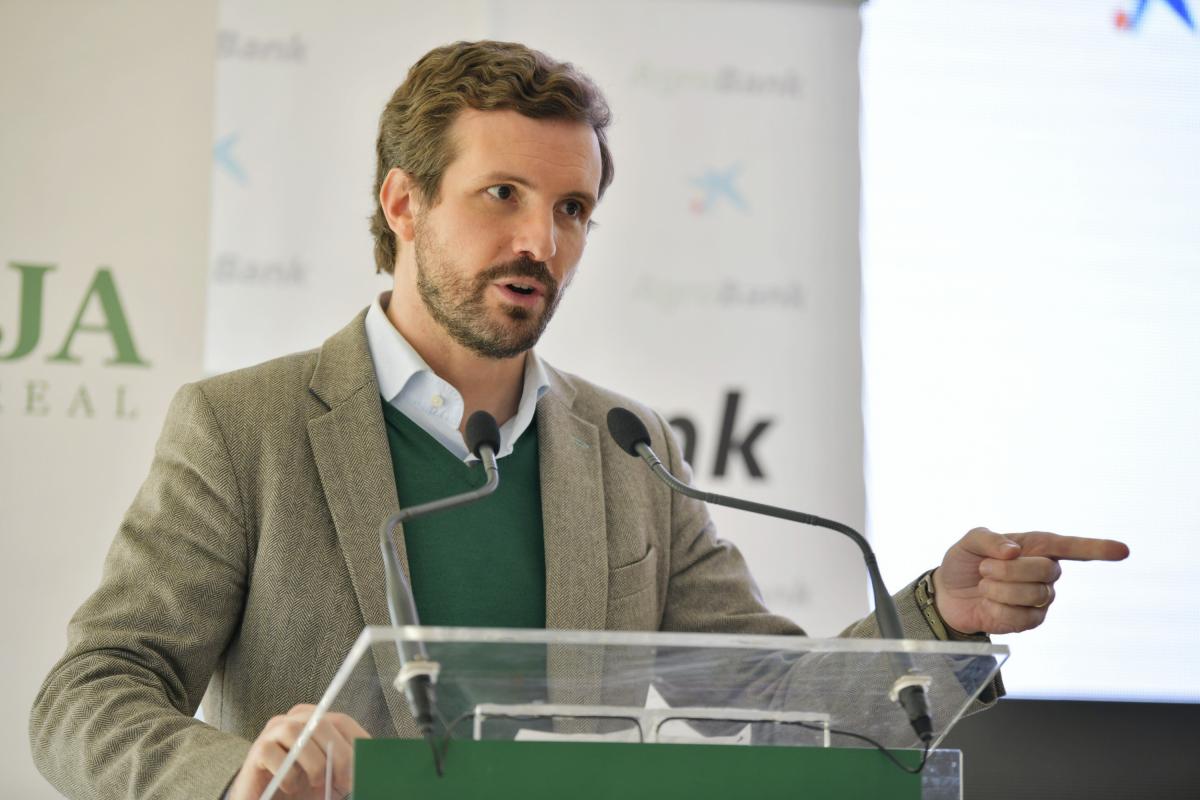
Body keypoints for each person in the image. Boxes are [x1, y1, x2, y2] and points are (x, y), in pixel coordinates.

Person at [29, 40, 1130, 800]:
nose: (541, 243)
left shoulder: (625, 447)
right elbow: (88, 693)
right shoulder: (246, 426)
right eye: (501, 195)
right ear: (404, 203)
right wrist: (238, 773)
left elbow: (771, 698)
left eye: (571, 209)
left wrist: (941, 616)